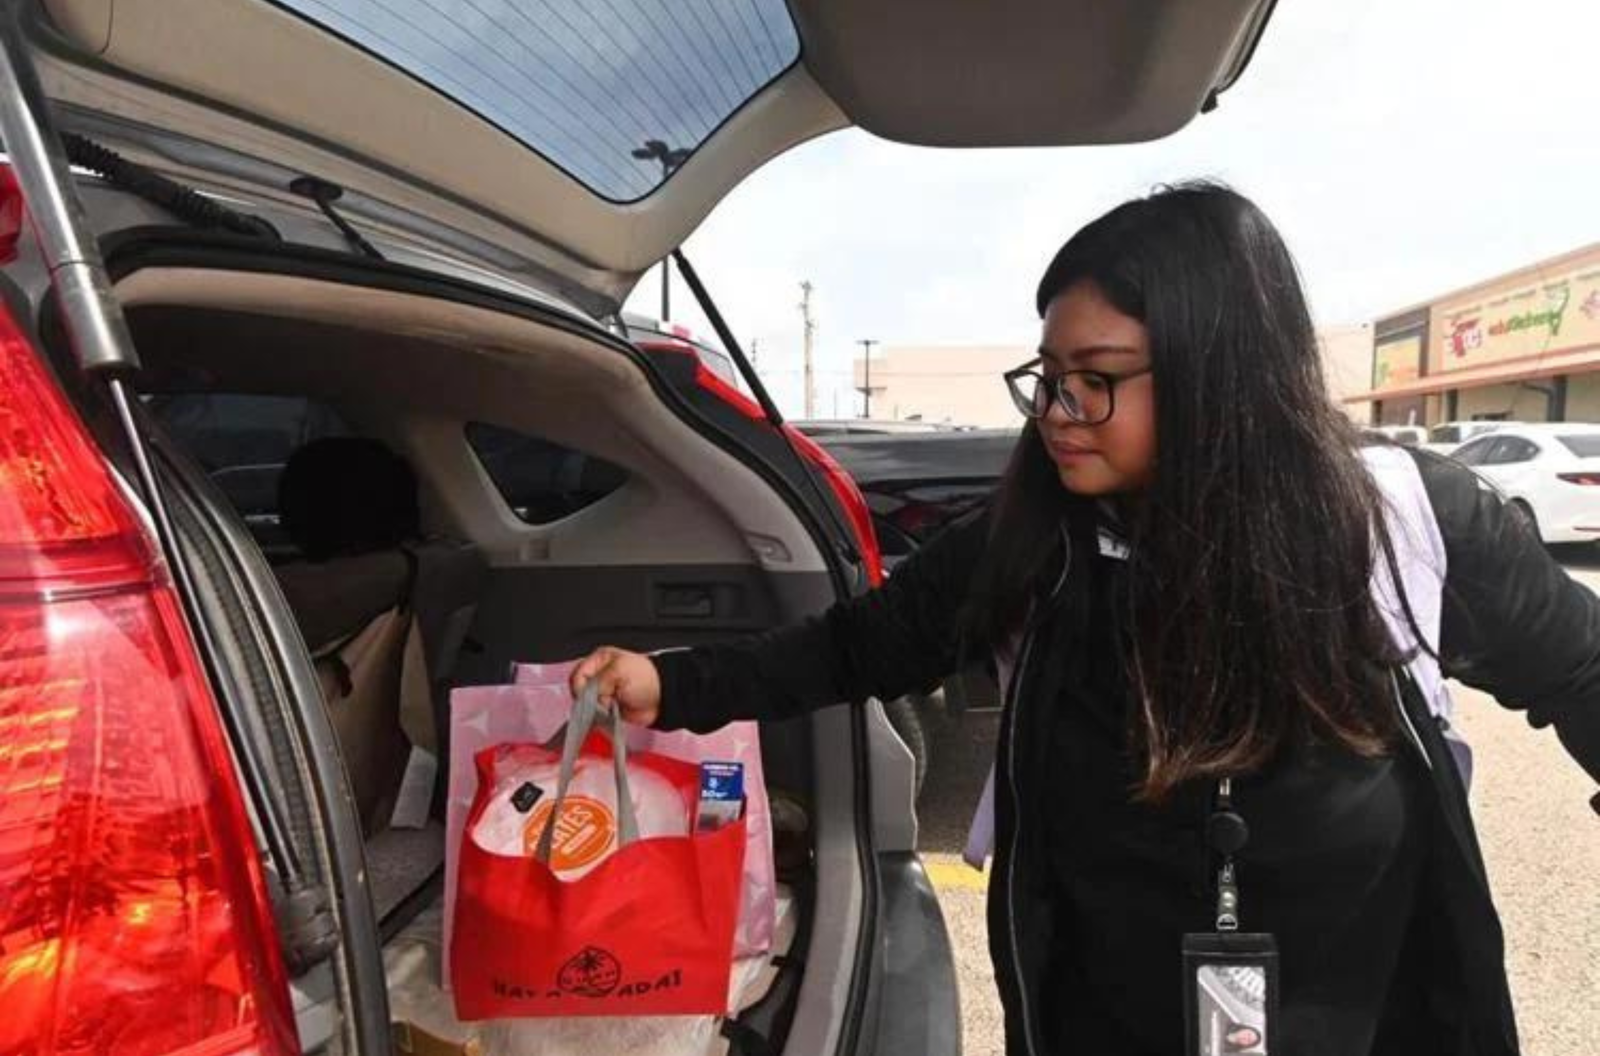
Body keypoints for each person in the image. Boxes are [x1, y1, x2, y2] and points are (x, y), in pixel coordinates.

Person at [572, 183, 1600, 1055]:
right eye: (1048, 380)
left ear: (1218, 374)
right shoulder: (1034, 544)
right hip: (1103, 1016)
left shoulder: (1403, 523)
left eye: (1096, 382)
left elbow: (1582, 672)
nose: (1056, 413)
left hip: (1375, 1014)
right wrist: (674, 683)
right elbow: (858, 646)